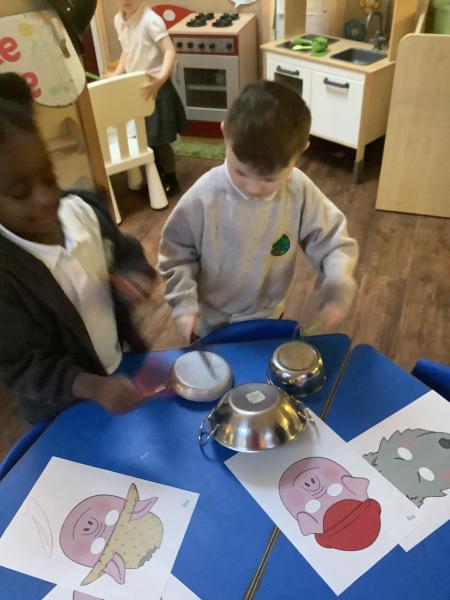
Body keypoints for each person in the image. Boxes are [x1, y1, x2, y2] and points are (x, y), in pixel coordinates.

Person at [0, 73, 156, 424]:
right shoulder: (7, 275)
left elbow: (126, 252)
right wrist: (93, 386)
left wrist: (135, 274)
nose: (44, 198)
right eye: (20, 193)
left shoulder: (84, 212)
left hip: (122, 365)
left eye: (49, 179)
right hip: (63, 407)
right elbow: (24, 366)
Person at [159, 80, 358, 341]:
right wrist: (183, 302)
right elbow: (176, 256)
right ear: (225, 134)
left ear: (301, 152)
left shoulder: (299, 190)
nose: (253, 188)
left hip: (269, 318)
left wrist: (338, 279)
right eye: (240, 172)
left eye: (269, 179)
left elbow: (331, 240)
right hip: (210, 324)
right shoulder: (203, 197)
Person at [111, 0, 187, 197]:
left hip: (156, 88)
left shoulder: (151, 20)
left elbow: (169, 50)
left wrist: (161, 78)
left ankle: (171, 179)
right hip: (137, 89)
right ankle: (157, 175)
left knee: (159, 139)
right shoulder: (119, 20)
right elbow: (126, 51)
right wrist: (116, 74)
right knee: (143, 136)